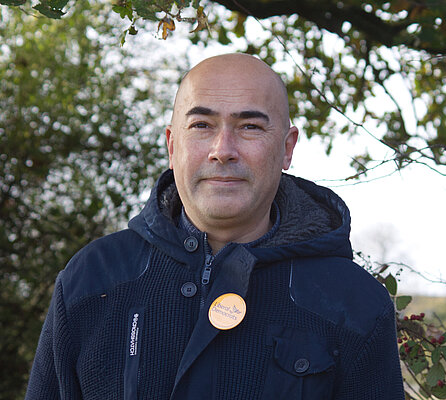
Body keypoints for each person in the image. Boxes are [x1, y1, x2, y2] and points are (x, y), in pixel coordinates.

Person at [25, 53, 405, 399]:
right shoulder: (92, 280)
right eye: (202, 124)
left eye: (250, 127)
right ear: (172, 146)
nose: (223, 149)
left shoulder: (353, 304)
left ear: (287, 148)